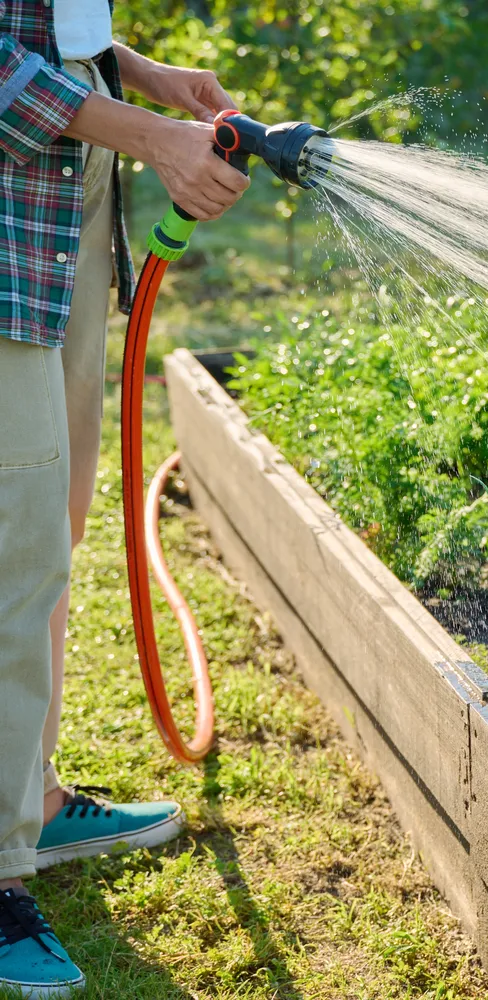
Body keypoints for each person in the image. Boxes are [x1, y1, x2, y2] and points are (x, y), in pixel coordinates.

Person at [0, 0, 250, 993]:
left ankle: (30, 799)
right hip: (8, 209)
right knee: (11, 549)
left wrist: (135, 73)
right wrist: (152, 136)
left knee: (51, 525)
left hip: (61, 201)